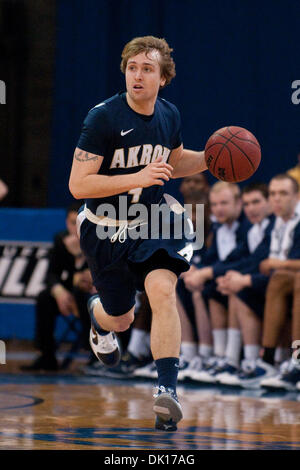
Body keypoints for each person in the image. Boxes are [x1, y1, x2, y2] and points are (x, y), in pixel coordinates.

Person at [68, 36, 208, 431]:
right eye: (132, 67)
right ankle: (99, 321)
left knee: (163, 290)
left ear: (163, 77)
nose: (137, 75)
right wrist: (137, 176)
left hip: (152, 219)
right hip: (105, 225)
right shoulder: (104, 118)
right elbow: (79, 185)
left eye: (147, 68)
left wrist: (211, 160)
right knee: (122, 319)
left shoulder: (169, 115)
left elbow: (174, 164)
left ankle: (166, 391)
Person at [217, 174, 300, 388]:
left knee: (281, 279)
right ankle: (240, 360)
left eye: (283, 193)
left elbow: (276, 264)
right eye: (273, 194)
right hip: (279, 284)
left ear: (297, 196)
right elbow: (259, 264)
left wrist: (275, 265)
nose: (277, 199)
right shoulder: (280, 224)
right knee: (237, 288)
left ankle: (282, 360)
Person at [21, 202, 94, 371]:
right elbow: (51, 274)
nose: (75, 228)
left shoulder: (96, 240)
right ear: (66, 223)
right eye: (71, 222)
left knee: (83, 294)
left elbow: (92, 279)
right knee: (45, 297)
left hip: (92, 295)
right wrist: (59, 292)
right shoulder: (61, 240)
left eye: (80, 222)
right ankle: (47, 356)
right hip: (69, 295)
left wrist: (79, 259)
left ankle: (95, 355)